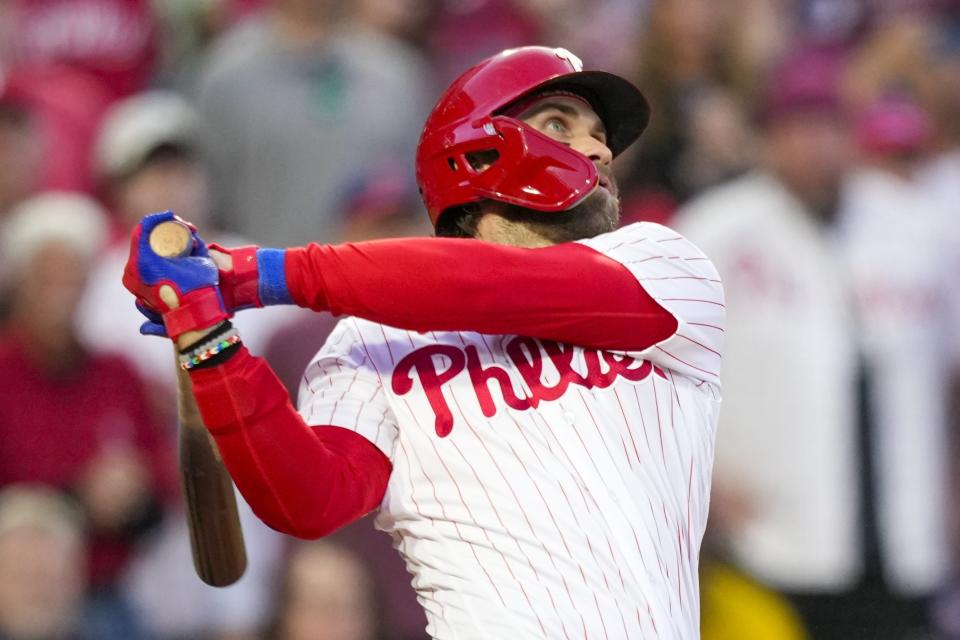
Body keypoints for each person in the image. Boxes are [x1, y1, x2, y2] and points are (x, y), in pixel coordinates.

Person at [122, 46, 725, 638]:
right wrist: (209, 341)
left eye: (601, 136)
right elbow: (310, 501)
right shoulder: (369, 338)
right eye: (559, 124)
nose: (597, 149)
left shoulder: (664, 266)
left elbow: (494, 287)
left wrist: (254, 274)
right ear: (479, 148)